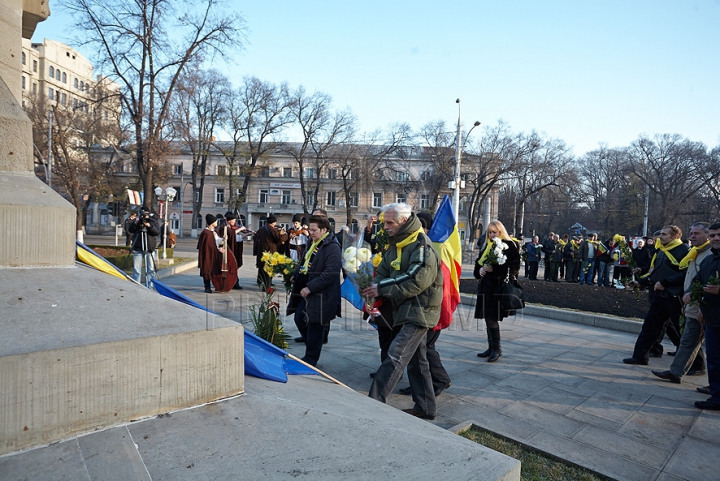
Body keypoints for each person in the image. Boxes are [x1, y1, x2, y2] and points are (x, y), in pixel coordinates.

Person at [364, 203, 443, 420]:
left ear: (404, 221)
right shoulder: (397, 244)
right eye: (384, 222)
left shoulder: (421, 246)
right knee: (418, 361)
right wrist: (373, 292)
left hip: (420, 310)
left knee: (396, 354)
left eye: (390, 223)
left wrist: (381, 288)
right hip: (406, 309)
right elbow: (383, 271)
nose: (386, 227)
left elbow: (416, 280)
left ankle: (373, 403)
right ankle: (426, 407)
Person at [398, 211, 452, 398]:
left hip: (430, 307)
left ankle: (440, 380)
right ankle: (420, 385)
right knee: (418, 349)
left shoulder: (432, 248)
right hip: (421, 307)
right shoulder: (419, 246)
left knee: (425, 347)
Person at [651, 222, 711, 384]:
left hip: (706, 307)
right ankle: (676, 372)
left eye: (696, 233)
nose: (692, 236)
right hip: (693, 303)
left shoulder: (710, 255)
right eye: (691, 233)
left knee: (711, 348)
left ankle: (713, 384)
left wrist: (702, 306)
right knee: (687, 341)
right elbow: (693, 277)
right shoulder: (695, 252)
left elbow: (709, 282)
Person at [623, 225, 689, 365]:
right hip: (660, 296)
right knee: (650, 326)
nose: (660, 237)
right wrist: (642, 281)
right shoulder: (662, 250)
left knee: (682, 330)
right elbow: (656, 271)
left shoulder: (684, 250)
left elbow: (685, 274)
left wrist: (665, 282)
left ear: (675, 236)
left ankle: (696, 363)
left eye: (664, 234)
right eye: (661, 234)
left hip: (674, 297)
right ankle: (640, 356)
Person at [286, 215, 341, 367]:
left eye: (314, 230)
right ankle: (311, 343)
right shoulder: (313, 242)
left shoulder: (332, 247)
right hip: (305, 290)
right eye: (309, 229)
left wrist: (311, 287)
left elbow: (330, 273)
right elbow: (304, 261)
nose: (310, 232)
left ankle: (311, 359)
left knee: (315, 326)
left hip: (321, 294)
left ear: (324, 230)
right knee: (299, 318)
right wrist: (295, 275)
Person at [473, 220, 521, 362]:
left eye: (494, 232)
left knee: (492, 318)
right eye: (490, 232)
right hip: (485, 287)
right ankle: (491, 346)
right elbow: (478, 262)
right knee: (487, 318)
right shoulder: (486, 245)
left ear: (500, 232)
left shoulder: (509, 245)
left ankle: (497, 349)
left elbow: (514, 268)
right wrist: (480, 270)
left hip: (498, 288)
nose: (492, 235)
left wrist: (495, 270)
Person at [685, 223, 720, 410]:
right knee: (714, 359)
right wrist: (691, 294)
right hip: (713, 319)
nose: (716, 238)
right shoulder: (710, 260)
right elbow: (698, 281)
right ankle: (716, 394)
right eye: (713, 235)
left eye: (719, 235)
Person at [127, 207, 160, 287]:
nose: (144, 217)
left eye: (146, 214)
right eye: (143, 214)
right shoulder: (137, 221)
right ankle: (137, 286)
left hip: (149, 248)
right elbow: (130, 230)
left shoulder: (153, 222)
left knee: (150, 269)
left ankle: (150, 286)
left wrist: (149, 226)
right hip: (138, 248)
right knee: (136, 269)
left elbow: (157, 232)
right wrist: (135, 223)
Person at [253, 215, 287, 288]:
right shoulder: (271, 229)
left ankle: (260, 281)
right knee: (268, 270)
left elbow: (255, 237)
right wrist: (285, 234)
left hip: (262, 252)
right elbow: (279, 238)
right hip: (269, 252)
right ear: (273, 222)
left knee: (262, 268)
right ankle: (266, 286)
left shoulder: (262, 228)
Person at [225, 211, 250, 290]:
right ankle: (232, 283)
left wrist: (246, 234)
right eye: (233, 220)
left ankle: (235, 282)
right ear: (229, 221)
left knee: (234, 267)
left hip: (234, 250)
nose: (235, 222)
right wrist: (241, 229)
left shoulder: (232, 228)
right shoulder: (225, 228)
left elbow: (236, 238)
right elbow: (231, 234)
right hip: (228, 251)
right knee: (230, 268)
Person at [197, 214, 221, 293]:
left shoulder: (214, 231)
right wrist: (218, 249)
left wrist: (223, 240)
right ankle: (207, 287)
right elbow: (208, 246)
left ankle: (216, 285)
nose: (217, 222)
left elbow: (217, 241)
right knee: (207, 270)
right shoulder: (206, 233)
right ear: (212, 222)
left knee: (214, 269)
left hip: (214, 254)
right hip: (207, 255)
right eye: (215, 221)